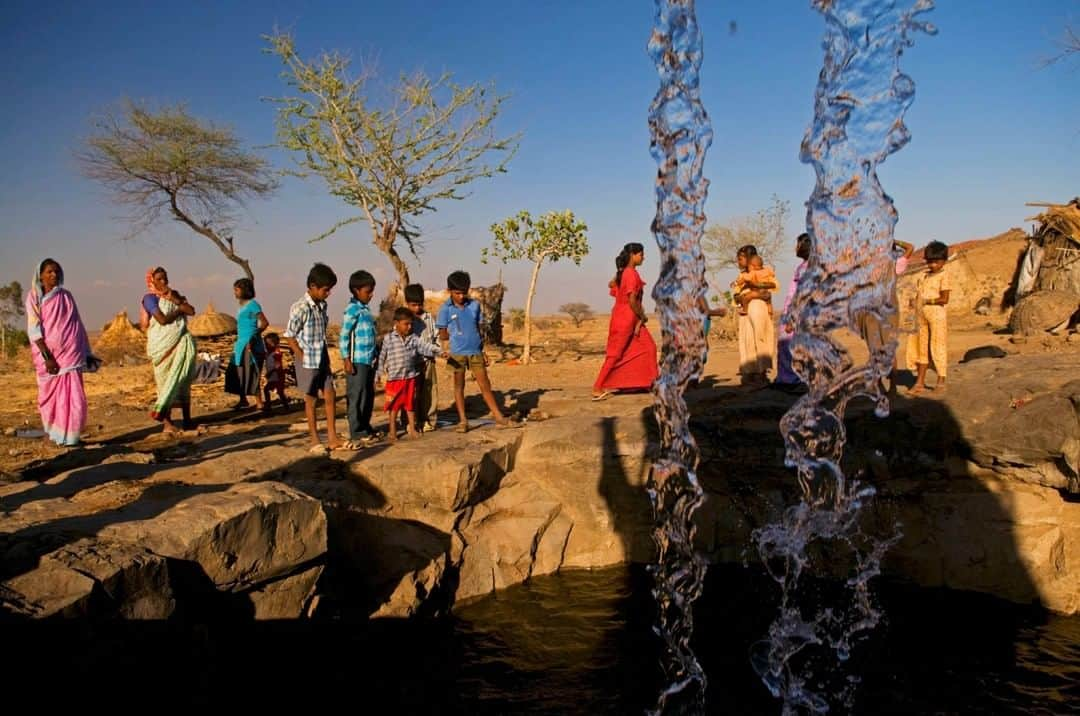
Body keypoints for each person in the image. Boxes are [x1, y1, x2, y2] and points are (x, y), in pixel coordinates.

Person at [25, 258, 97, 446]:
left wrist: (86, 352)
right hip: (48, 358)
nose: (53, 275)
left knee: (75, 398)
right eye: (49, 272)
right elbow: (34, 330)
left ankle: (72, 438)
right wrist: (48, 358)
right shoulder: (34, 297)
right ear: (40, 275)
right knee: (49, 397)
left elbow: (77, 325)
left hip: (71, 356)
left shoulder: (66, 296)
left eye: (56, 271)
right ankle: (57, 435)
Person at [436, 270, 517, 432]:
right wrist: (451, 334)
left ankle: (499, 417)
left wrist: (482, 350)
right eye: (457, 293)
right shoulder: (445, 309)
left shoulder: (474, 306)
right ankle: (463, 421)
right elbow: (442, 334)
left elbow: (478, 329)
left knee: (485, 384)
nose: (460, 296)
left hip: (475, 351)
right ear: (449, 291)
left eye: (463, 292)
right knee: (459, 385)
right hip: (457, 353)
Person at [284, 263, 343, 454]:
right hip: (307, 359)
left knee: (330, 394)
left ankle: (333, 437)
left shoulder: (322, 306)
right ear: (312, 286)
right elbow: (290, 335)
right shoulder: (300, 307)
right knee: (311, 399)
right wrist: (300, 357)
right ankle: (314, 439)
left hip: (322, 355)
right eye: (326, 290)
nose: (328, 294)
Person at [592, 243, 658, 400]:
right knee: (615, 354)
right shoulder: (630, 274)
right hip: (626, 318)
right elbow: (632, 300)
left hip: (630, 318)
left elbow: (612, 285)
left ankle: (649, 383)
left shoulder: (626, 273)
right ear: (633, 255)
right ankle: (597, 387)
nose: (643, 257)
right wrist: (642, 316)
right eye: (641, 254)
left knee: (648, 347)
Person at [140, 266, 197, 433]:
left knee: (184, 381)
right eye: (159, 279)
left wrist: (176, 300)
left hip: (180, 342)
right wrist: (179, 309)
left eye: (165, 278)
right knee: (164, 383)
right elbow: (162, 320)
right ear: (152, 281)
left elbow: (191, 310)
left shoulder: (174, 294)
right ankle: (167, 424)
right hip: (162, 346)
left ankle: (187, 420)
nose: (163, 281)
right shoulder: (149, 299)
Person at [378, 306, 446, 441]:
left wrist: (439, 352)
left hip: (410, 378)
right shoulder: (389, 339)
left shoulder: (413, 338)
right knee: (394, 407)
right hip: (394, 379)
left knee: (410, 405)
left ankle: (412, 429)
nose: (409, 327)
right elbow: (382, 356)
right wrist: (378, 374)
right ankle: (392, 431)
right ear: (396, 323)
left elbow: (425, 347)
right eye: (406, 324)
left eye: (411, 324)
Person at [340, 270, 379, 448]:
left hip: (368, 360)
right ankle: (356, 430)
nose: (370, 295)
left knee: (368, 395)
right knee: (357, 395)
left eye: (371, 291)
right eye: (367, 291)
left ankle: (365, 426)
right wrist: (346, 359)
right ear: (356, 290)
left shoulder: (366, 310)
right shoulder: (352, 310)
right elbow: (344, 335)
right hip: (356, 360)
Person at [910, 241, 950, 395]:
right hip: (921, 315)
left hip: (936, 315)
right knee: (921, 347)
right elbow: (919, 294)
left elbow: (944, 298)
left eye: (936, 262)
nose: (933, 265)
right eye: (930, 261)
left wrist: (926, 301)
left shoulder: (944, 275)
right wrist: (915, 302)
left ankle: (941, 380)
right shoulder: (924, 276)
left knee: (938, 346)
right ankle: (919, 381)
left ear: (943, 261)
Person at [733, 245, 777, 385]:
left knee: (760, 338)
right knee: (747, 341)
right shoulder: (742, 277)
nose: (738, 263)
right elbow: (736, 296)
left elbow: (770, 288)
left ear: (749, 259)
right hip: (745, 312)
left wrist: (754, 291)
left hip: (758, 308)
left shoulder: (764, 273)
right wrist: (745, 296)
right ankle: (749, 372)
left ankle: (762, 372)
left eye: (740, 259)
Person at [775, 233, 812, 388]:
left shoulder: (808, 268)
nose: (795, 248)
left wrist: (792, 318)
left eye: (797, 244)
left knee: (788, 345)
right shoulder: (804, 266)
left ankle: (790, 379)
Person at [405, 283, 440, 432]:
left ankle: (428, 419)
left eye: (419, 304)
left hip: (428, 360)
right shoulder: (404, 320)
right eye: (413, 305)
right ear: (407, 303)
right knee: (411, 393)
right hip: (411, 363)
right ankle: (410, 421)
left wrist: (435, 353)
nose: (417, 308)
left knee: (429, 391)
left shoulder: (428, 318)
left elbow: (435, 337)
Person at [230, 277, 268, 410]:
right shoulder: (241, 306)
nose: (234, 292)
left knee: (253, 372)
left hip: (252, 345)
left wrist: (253, 337)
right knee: (240, 372)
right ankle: (243, 400)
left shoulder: (253, 304)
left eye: (237, 289)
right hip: (241, 344)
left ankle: (259, 402)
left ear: (244, 290)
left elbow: (264, 323)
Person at [262, 332, 290, 413]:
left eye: (268, 344)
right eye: (266, 344)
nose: (267, 346)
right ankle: (282, 406)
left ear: (275, 344)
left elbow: (277, 365)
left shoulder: (276, 353)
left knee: (276, 391)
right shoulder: (268, 353)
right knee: (273, 391)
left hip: (277, 376)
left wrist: (269, 372)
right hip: (273, 376)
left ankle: (270, 406)